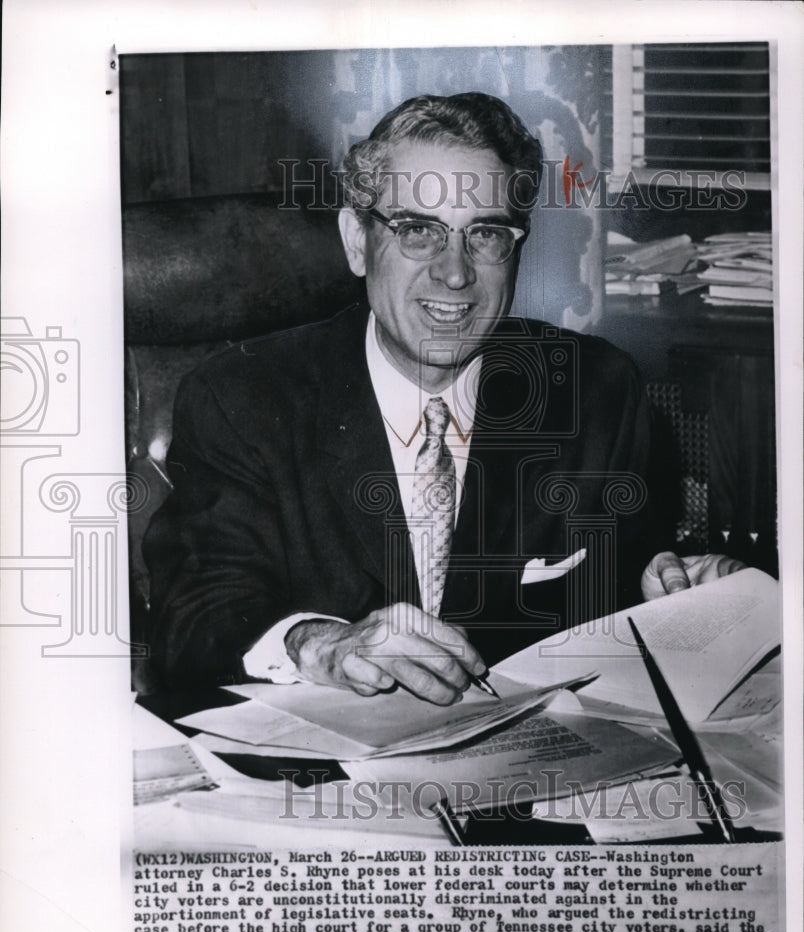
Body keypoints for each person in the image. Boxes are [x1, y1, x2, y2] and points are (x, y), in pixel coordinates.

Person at [143, 92, 742, 700]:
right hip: (314, 782)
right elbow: (194, 618)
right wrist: (317, 645)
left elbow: (619, 579)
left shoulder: (593, 390)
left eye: (485, 234)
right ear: (357, 240)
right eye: (418, 231)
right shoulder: (242, 397)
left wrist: (673, 589)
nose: (455, 273)